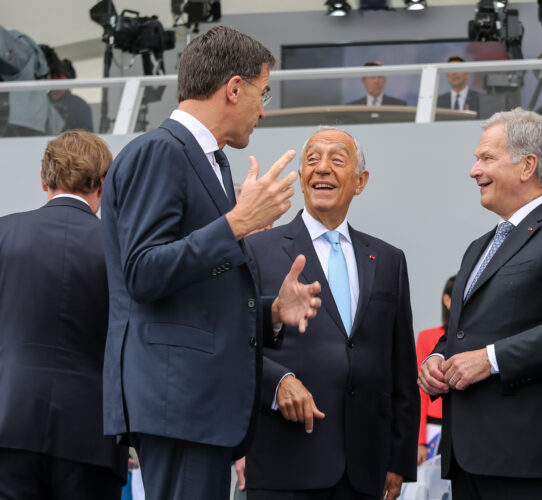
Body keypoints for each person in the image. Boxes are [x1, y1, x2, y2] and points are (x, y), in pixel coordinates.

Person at [101, 26, 322, 500]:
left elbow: (196, 291)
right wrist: (237, 223)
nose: (263, 110)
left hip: (196, 405)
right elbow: (142, 271)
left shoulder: (212, 163)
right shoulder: (160, 151)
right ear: (234, 88)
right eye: (262, 94)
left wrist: (271, 311)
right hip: (179, 400)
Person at [418, 108, 542, 500]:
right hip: (467, 459)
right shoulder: (478, 248)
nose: (473, 170)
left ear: (527, 165)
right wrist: (437, 357)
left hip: (530, 460)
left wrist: (491, 359)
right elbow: (465, 332)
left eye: (486, 158)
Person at [235, 127, 419, 500]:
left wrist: (398, 459)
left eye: (337, 159)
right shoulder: (256, 250)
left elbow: (400, 365)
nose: (322, 168)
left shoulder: (387, 260)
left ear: (360, 181)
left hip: (365, 469)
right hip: (284, 461)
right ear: (302, 178)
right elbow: (231, 337)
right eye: (312, 159)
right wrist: (278, 380)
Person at [0, 130, 129, 499]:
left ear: (44, 178)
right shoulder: (121, 250)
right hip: (93, 437)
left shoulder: (4, 234)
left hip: (9, 423)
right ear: (104, 184)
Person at [416, 275, 455, 465]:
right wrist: (419, 441)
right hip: (435, 426)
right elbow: (420, 390)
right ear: (447, 300)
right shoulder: (428, 338)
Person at [40, 44, 94, 131]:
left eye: (58, 75)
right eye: (52, 75)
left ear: (67, 79)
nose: (54, 78)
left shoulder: (79, 104)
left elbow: (87, 134)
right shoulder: (41, 101)